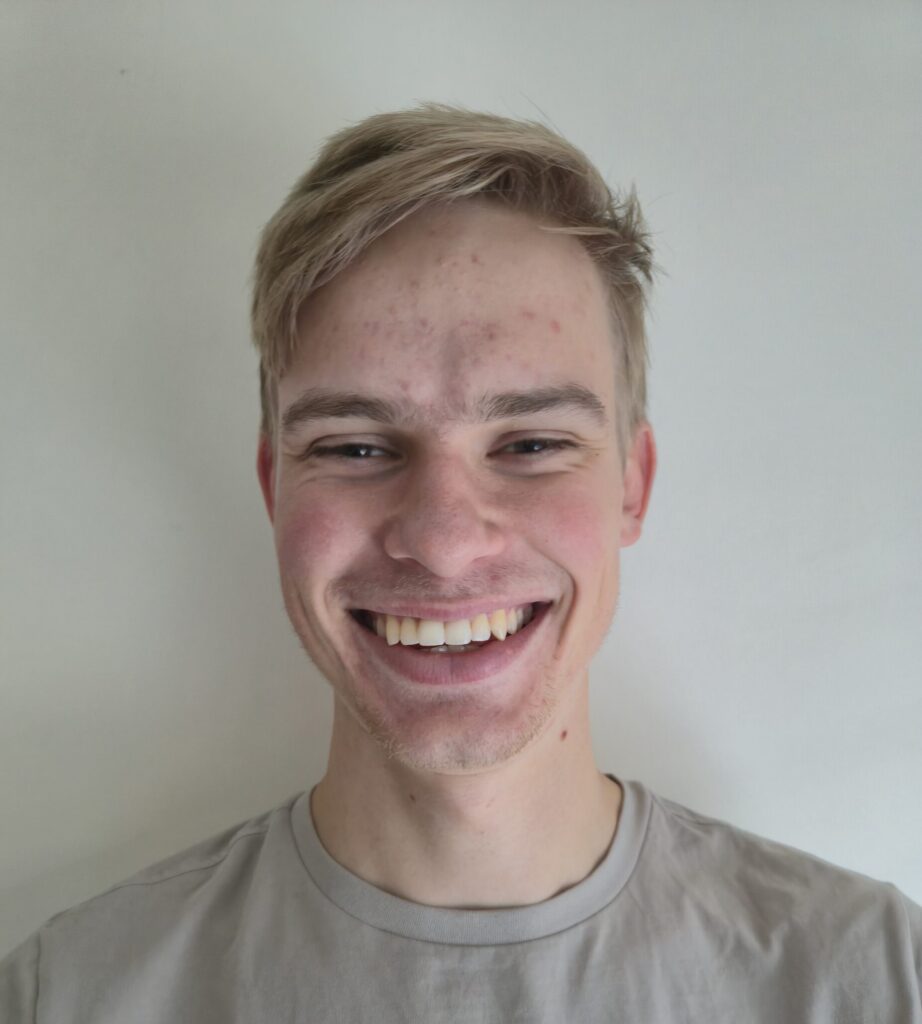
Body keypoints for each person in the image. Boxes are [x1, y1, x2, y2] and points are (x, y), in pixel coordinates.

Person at [2, 104, 920, 1022]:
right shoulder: (68, 996)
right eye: (356, 447)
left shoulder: (880, 981)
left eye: (531, 444)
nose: (444, 544)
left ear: (632, 485)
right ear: (274, 484)